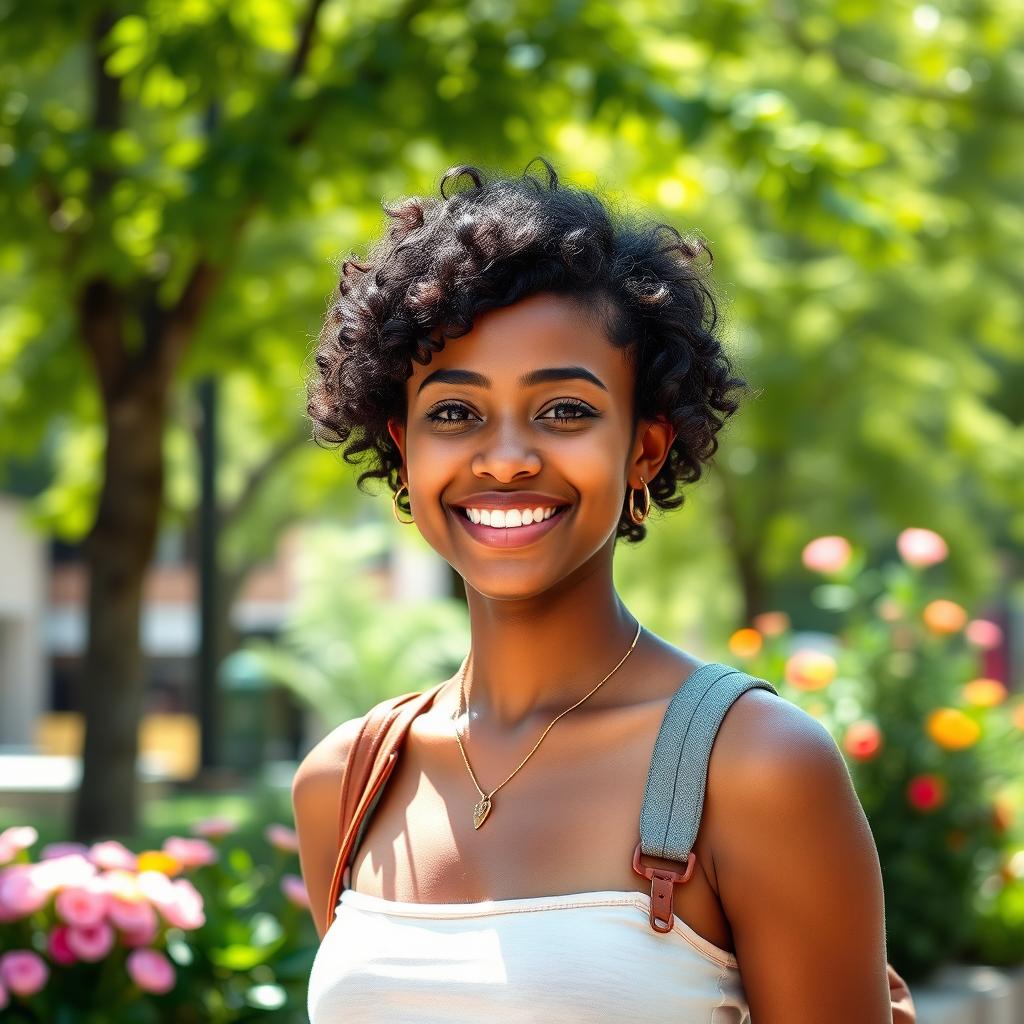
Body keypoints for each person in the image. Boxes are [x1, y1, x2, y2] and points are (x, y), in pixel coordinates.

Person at [293, 159, 905, 1022]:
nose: (505, 457)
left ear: (645, 449)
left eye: (565, 411)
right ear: (404, 446)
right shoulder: (347, 781)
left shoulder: (756, 766)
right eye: (455, 414)